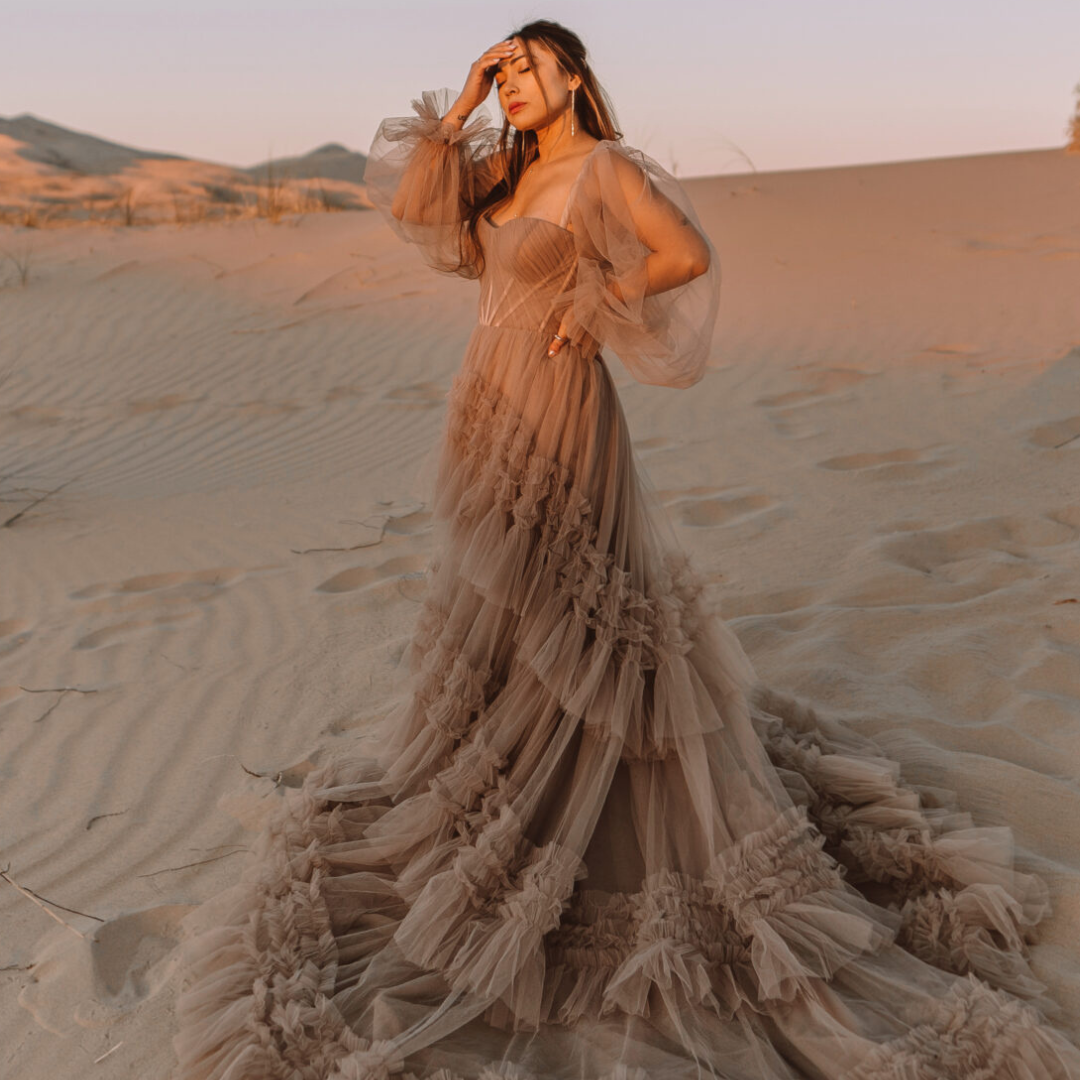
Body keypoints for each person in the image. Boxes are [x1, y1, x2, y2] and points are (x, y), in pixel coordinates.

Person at [172, 19, 1080, 1080]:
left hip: (561, 411)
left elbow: (686, 254)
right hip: (486, 409)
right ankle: (515, 768)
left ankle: (593, 799)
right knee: (499, 606)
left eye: (525, 67)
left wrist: (599, 304)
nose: (512, 84)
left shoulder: (603, 169)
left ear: (573, 75)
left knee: (577, 600)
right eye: (501, 69)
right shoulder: (497, 170)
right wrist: (462, 101)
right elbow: (419, 214)